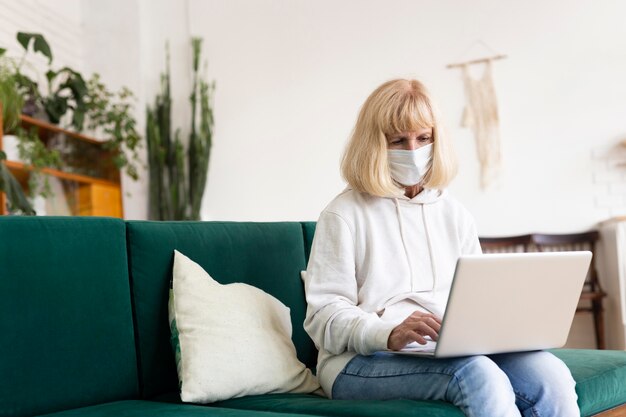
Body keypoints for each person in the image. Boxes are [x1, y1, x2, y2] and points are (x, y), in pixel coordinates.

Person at [303, 79, 579, 417]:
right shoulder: (343, 215)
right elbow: (322, 317)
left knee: (552, 377)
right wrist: (386, 333)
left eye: (423, 138)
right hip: (359, 362)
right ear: (375, 145)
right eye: (398, 141)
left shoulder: (455, 214)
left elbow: (479, 301)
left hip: (447, 350)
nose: (413, 150)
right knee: (478, 375)